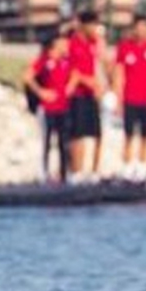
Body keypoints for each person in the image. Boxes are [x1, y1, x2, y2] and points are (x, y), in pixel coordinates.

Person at [107, 15, 146, 183]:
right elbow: (118, 73)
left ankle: (142, 166)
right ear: (134, 29)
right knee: (128, 134)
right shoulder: (125, 47)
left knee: (145, 134)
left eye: (145, 27)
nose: (142, 31)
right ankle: (127, 167)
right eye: (139, 27)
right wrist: (118, 99)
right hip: (130, 98)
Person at [24, 34, 77, 184]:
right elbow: (27, 76)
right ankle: (44, 171)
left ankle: (65, 172)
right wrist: (41, 92)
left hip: (63, 106)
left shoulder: (66, 61)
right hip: (48, 108)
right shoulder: (44, 61)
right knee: (46, 141)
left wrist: (70, 86)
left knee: (64, 141)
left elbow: (76, 74)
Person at [67, 10, 106, 178]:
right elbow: (72, 71)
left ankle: (94, 172)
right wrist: (88, 81)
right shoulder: (72, 43)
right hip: (78, 94)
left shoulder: (93, 43)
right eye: (92, 25)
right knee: (78, 134)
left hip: (92, 94)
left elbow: (103, 60)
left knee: (97, 134)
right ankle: (77, 171)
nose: (95, 29)